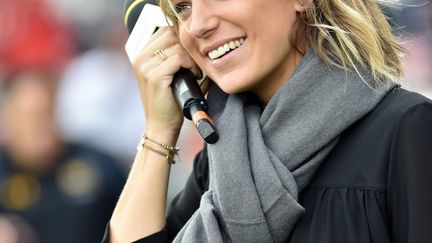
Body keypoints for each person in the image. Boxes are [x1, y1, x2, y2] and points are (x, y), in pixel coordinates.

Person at [104, 0, 432, 242]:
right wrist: (159, 131)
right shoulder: (221, 159)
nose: (198, 25)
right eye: (183, 7)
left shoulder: (406, 131)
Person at [0, 71, 126, 243]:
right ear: (10, 119)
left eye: (46, 113)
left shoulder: (97, 164)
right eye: (29, 117)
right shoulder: (3, 171)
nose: (38, 126)